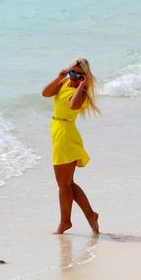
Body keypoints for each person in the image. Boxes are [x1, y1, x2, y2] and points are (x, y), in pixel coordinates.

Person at [41, 59, 101, 235]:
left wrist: (82, 85)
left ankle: (65, 222)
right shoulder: (65, 82)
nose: (73, 77)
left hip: (66, 135)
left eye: (78, 75)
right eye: (72, 73)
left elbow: (73, 105)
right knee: (67, 183)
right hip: (60, 132)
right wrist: (60, 77)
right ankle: (90, 215)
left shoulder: (81, 92)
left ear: (85, 77)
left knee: (63, 184)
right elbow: (45, 93)